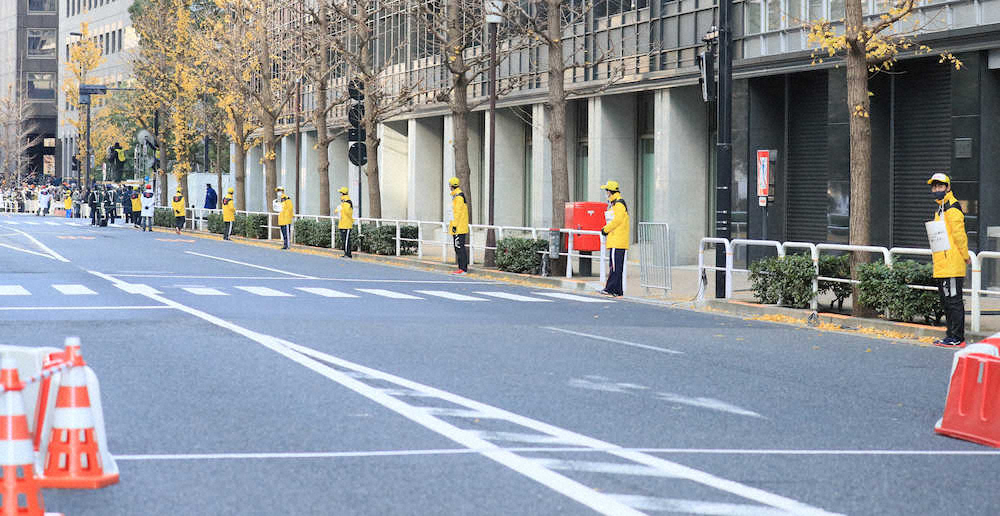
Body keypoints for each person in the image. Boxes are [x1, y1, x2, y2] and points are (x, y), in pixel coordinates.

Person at [928, 173, 970, 348]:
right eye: (934, 186)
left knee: (953, 302)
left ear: (948, 187)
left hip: (952, 263)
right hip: (943, 264)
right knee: (947, 302)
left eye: (940, 186)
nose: (937, 189)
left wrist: (965, 256)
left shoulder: (952, 207)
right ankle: (950, 335)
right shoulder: (941, 208)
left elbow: (960, 235)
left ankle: (957, 338)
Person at [599, 180, 630, 297]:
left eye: (606, 191)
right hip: (617, 240)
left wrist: (605, 229)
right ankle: (617, 290)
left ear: (610, 191)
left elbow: (617, 220)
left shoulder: (618, 204)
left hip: (617, 240)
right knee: (616, 266)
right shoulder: (615, 203)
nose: (606, 193)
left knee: (615, 267)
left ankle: (610, 289)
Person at [448, 177, 469, 275]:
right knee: (459, 248)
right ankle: (462, 268)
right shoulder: (457, 195)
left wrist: (454, 226)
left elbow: (457, 213)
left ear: (452, 186)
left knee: (459, 248)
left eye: (449, 185)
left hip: (458, 228)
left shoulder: (458, 197)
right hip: (459, 226)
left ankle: (463, 269)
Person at [335, 186, 354, 258]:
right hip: (342, 224)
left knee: (346, 240)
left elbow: (348, 213)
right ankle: (346, 253)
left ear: (343, 194)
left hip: (347, 224)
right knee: (344, 240)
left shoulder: (348, 202)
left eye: (341, 193)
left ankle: (348, 254)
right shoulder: (343, 203)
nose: (340, 195)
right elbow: (337, 211)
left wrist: (341, 209)